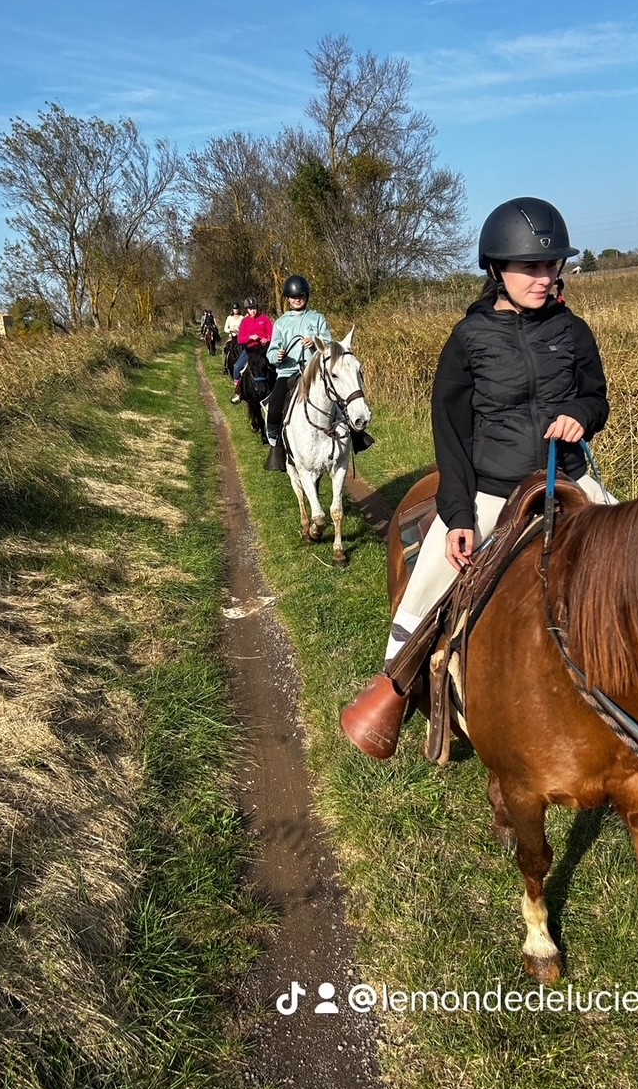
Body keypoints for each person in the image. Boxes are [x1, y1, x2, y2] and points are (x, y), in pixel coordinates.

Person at [342, 196, 615, 749]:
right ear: (497, 270)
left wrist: (579, 416)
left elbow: (597, 399)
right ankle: (395, 687)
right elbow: (451, 433)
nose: (545, 277)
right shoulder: (469, 341)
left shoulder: (572, 330)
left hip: (571, 477)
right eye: (531, 267)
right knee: (428, 586)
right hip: (494, 488)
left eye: (551, 265)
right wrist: (460, 515)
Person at [264, 274, 374, 471]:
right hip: (288, 373)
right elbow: (271, 352)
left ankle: (356, 437)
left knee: (340, 402)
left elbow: (331, 346)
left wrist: (314, 342)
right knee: (274, 409)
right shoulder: (281, 323)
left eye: (301, 295)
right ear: (287, 298)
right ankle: (276, 448)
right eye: (293, 296)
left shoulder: (317, 318)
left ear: (307, 296)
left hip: (314, 372)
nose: (297, 299)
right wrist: (277, 355)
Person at [230, 298, 273, 404]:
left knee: (274, 366)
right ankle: (238, 392)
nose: (252, 311)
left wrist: (267, 338)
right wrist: (250, 337)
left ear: (257, 308)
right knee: (237, 368)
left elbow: (272, 333)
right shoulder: (244, 321)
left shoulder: (265, 319)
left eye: (254, 308)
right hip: (250, 351)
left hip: (264, 350)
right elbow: (240, 339)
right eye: (250, 309)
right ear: (247, 310)